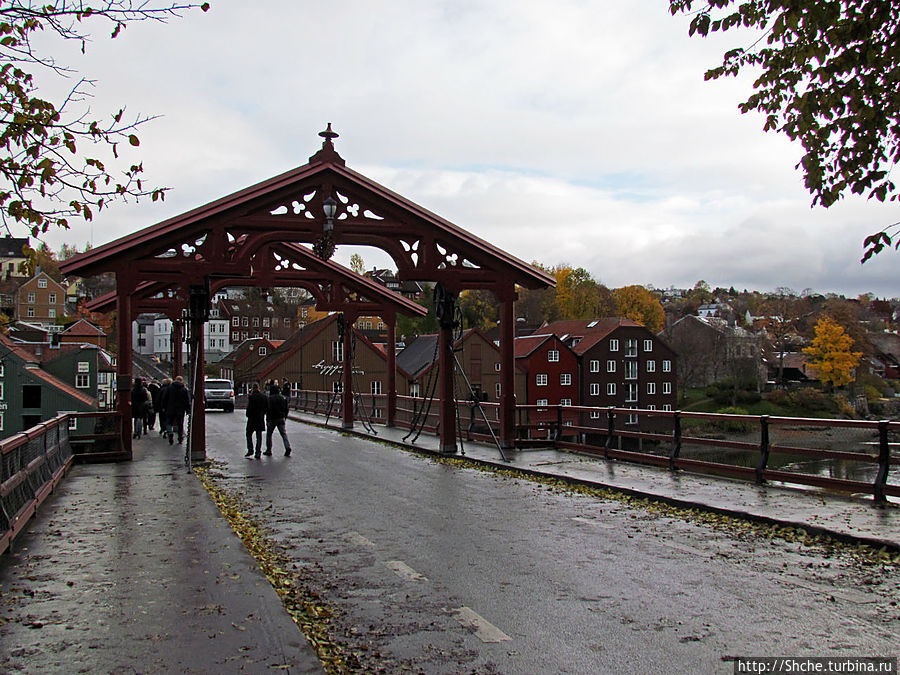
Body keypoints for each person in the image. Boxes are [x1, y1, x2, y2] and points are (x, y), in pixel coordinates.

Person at [161, 375, 191, 445]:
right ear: (181, 381)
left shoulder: (169, 388)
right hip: (180, 410)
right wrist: (187, 410)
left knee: (169, 422)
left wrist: (163, 407)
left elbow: (165, 398)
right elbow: (187, 401)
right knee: (180, 424)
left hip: (170, 408)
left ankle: (170, 432)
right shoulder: (184, 389)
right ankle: (180, 438)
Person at [264, 384, 292, 457]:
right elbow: (286, 409)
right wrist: (284, 417)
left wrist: (267, 420)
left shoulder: (269, 399)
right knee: (283, 434)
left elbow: (268, 410)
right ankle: (287, 447)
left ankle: (269, 450)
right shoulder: (283, 398)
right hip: (281, 418)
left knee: (269, 435)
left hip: (272, 419)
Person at [245, 382, 267, 458]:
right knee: (259, 436)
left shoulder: (251, 397)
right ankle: (258, 452)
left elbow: (249, 408)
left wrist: (248, 414)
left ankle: (250, 449)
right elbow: (266, 407)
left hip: (252, 418)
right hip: (260, 418)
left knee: (248, 434)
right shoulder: (263, 397)